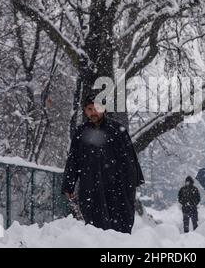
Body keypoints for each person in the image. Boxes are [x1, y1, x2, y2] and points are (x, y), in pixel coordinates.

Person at [61, 95, 145, 234]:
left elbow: (129, 160)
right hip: (90, 185)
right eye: (90, 109)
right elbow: (73, 160)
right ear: (85, 110)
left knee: (120, 224)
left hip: (117, 186)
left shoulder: (117, 130)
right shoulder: (81, 133)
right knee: (94, 226)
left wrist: (131, 183)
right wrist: (69, 184)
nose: (94, 112)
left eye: (97, 108)